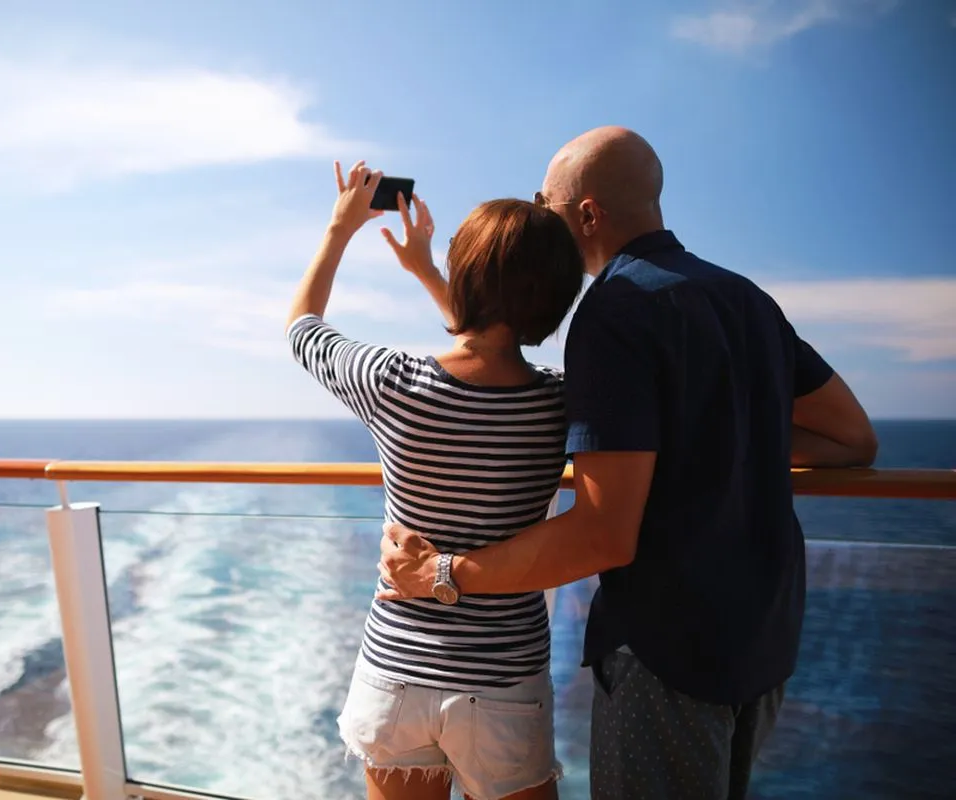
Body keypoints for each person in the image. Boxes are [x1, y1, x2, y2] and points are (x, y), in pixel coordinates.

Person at [376, 127, 879, 800]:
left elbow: (602, 535)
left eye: (544, 202)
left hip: (671, 652)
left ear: (586, 214)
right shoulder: (744, 298)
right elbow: (852, 438)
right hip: (765, 637)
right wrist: (722, 439)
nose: (538, 217)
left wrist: (442, 572)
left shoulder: (616, 313)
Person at [286, 160, 584, 800]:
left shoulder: (394, 381)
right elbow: (498, 337)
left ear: (467, 278)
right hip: (503, 683)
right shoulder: (561, 404)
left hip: (395, 669)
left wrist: (341, 230)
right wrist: (429, 273)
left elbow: (302, 327)